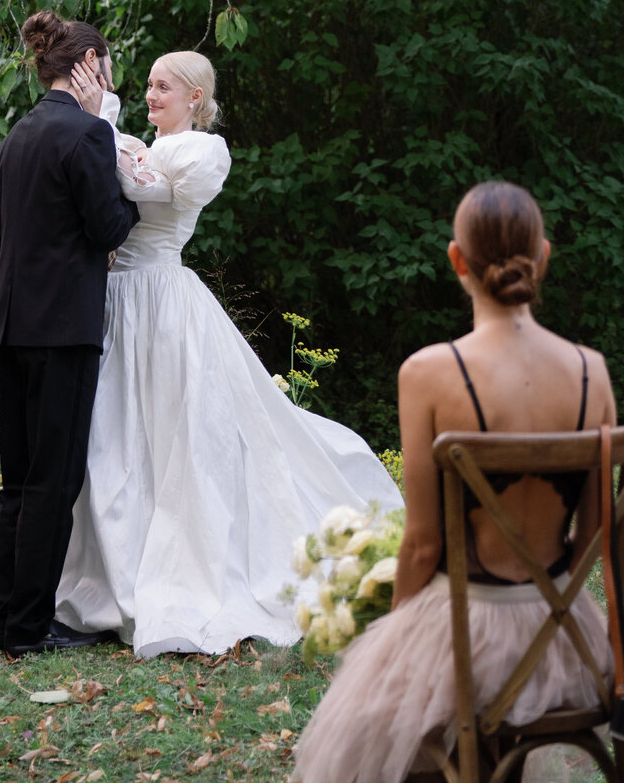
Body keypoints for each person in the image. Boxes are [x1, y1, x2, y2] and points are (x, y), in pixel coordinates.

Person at [54, 48, 402, 657]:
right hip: (117, 300)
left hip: (160, 300)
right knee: (118, 435)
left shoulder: (200, 151)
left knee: (173, 433)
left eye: (164, 87)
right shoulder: (137, 143)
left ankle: (182, 570)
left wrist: (101, 120)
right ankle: (110, 567)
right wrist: (106, 130)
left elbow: (140, 188)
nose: (151, 95)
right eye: (149, 85)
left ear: (195, 97)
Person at [293, 181, 616, 783]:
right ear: (543, 257)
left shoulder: (428, 373)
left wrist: (393, 639)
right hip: (564, 639)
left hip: (467, 630)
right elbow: (599, 529)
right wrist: (549, 602)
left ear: (456, 260)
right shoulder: (591, 372)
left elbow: (423, 544)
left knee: (378, 728)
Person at [0, 9, 139, 658]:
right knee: (54, 480)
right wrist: (128, 196)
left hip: (12, 325)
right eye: (108, 67)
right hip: (64, 330)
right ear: (88, 66)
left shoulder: (16, 135)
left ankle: (3, 621)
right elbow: (109, 227)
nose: (111, 81)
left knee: (20, 479)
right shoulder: (88, 133)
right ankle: (27, 630)